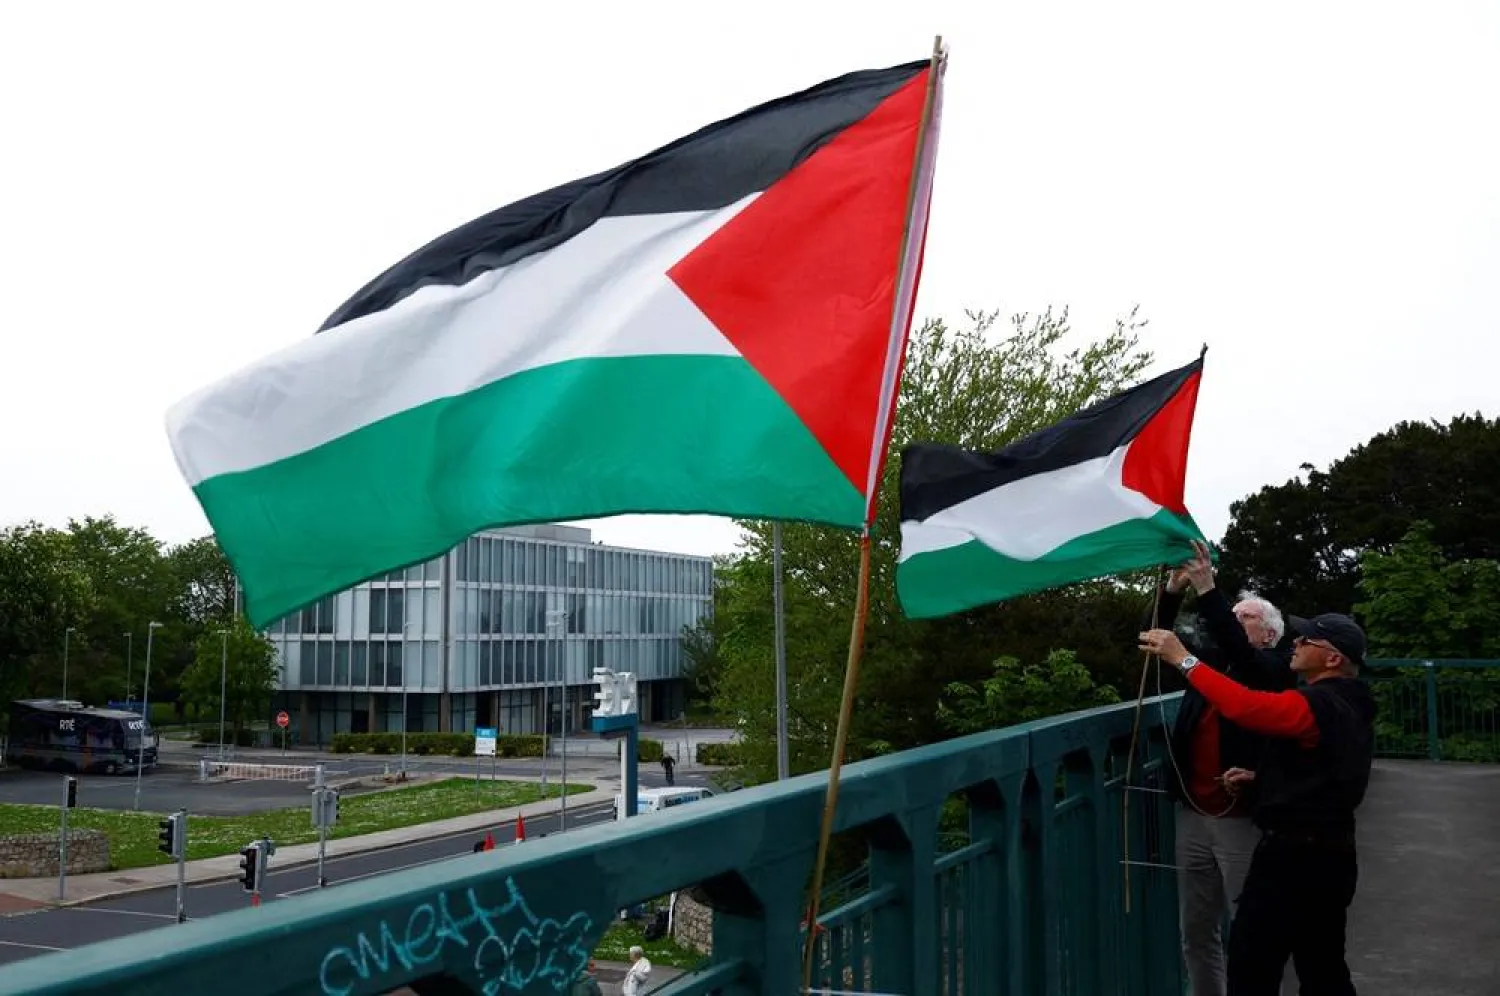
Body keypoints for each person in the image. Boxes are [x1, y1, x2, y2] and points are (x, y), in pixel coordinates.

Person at [1139, 612, 1377, 996]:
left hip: (1294, 857)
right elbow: (1325, 771)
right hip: (1330, 853)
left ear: (1333, 659)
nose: (1296, 644)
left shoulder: (1320, 703)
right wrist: (1261, 780)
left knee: (1253, 963)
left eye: (1307, 641)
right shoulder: (1348, 703)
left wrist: (1184, 659)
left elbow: (1246, 707)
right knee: (1322, 963)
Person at [1146, 541, 1295, 996]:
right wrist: (1172, 590)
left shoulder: (1272, 668)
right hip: (1193, 812)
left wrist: (1209, 588)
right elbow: (1155, 639)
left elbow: (1245, 662)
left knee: (1251, 927)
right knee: (1196, 930)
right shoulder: (1210, 664)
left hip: (1241, 818)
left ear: (1269, 633)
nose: (1234, 619)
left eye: (1245, 615)